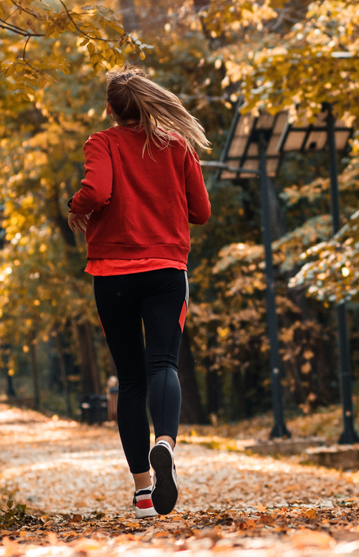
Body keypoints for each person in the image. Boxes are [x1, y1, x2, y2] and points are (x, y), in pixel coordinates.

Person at [67, 66, 211, 517]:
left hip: (112, 274)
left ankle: (143, 493)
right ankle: (164, 442)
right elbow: (202, 211)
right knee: (163, 364)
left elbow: (97, 190)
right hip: (167, 269)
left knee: (129, 379)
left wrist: (77, 208)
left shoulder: (102, 142)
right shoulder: (177, 145)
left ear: (110, 107)